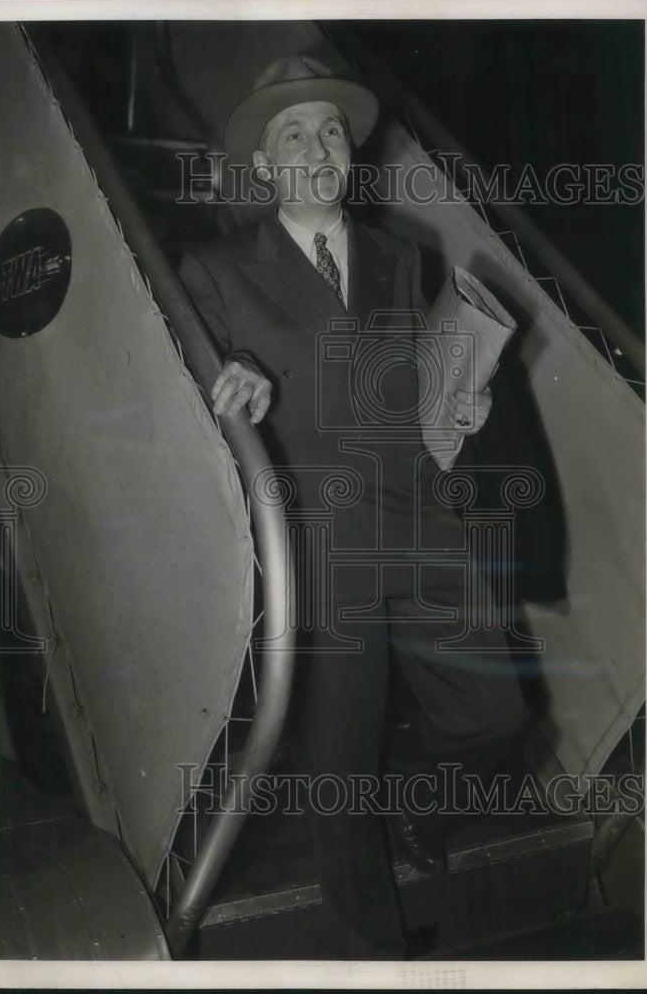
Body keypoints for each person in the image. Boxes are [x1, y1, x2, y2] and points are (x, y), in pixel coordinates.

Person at [180, 56, 527, 959]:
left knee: (494, 715)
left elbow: (415, 390)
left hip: (419, 521)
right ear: (266, 164)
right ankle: (375, 960)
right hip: (319, 546)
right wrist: (231, 384)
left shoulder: (399, 256)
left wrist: (462, 401)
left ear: (350, 150)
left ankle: (421, 810)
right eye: (292, 134)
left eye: (330, 129)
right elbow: (184, 403)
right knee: (341, 770)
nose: (317, 147)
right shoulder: (215, 270)